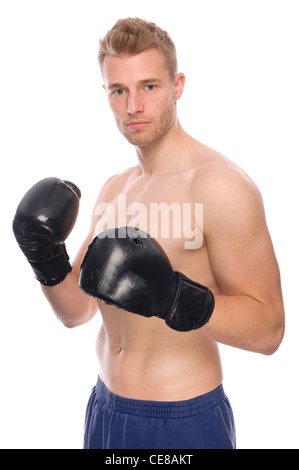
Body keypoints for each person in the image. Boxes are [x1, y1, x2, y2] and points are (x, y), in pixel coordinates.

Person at [13, 18, 285, 449]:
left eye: (149, 86)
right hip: (104, 408)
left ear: (177, 86)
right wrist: (43, 256)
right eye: (118, 90)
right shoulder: (115, 188)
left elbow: (269, 331)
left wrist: (175, 298)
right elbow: (76, 312)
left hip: (181, 420)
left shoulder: (219, 186)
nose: (133, 105)